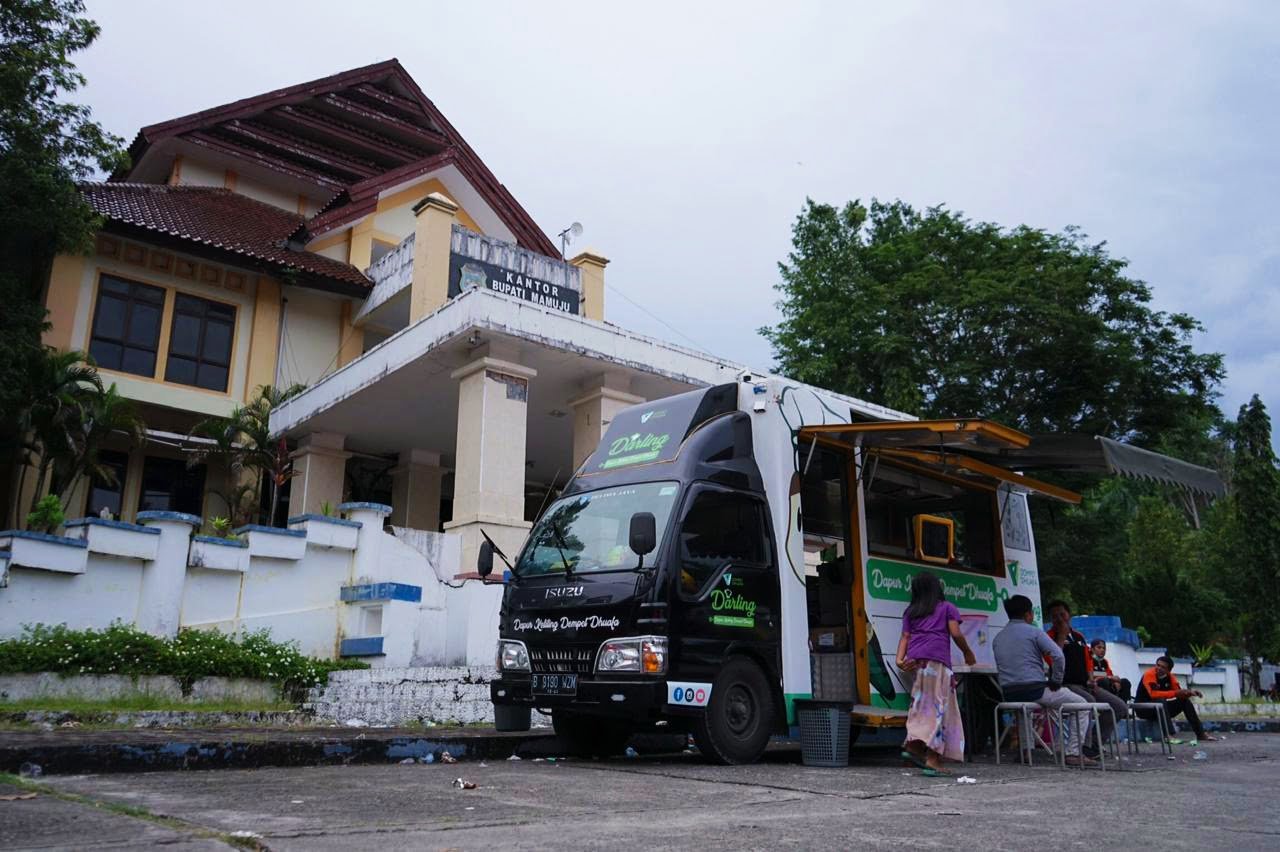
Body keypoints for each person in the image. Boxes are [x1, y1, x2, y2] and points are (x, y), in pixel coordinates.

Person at [992, 594, 1094, 766]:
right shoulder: (1034, 632)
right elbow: (1058, 656)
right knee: (1082, 705)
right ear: (1028, 614)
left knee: (1024, 710)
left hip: (1009, 693)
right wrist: (1056, 680)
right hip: (1035, 690)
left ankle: (1026, 750)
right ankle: (1073, 752)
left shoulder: (998, 638)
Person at [895, 572, 976, 776]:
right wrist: (967, 652)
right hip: (938, 664)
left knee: (921, 707)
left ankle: (913, 746)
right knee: (941, 709)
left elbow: (905, 636)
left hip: (918, 664)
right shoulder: (947, 608)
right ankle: (932, 759)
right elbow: (956, 633)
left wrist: (899, 659)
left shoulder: (911, 611)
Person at [1046, 600, 1128, 753]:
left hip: (1085, 684)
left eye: (1062, 614)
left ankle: (1096, 743)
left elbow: (1088, 660)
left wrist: (1091, 679)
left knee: (1119, 707)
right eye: (1055, 616)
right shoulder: (1049, 637)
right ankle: (1084, 747)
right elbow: (1052, 659)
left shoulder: (1079, 636)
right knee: (1087, 703)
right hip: (1065, 685)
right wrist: (1062, 636)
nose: (1059, 618)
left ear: (1069, 614)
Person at [1136, 655, 1216, 742]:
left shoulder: (1171, 677)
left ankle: (1200, 734)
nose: (1159, 668)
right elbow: (1153, 694)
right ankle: (1168, 735)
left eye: (1163, 667)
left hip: (1160, 710)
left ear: (1168, 670)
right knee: (1160, 700)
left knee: (1184, 701)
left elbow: (1179, 693)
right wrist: (1175, 693)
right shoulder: (1149, 674)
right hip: (1143, 709)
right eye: (1158, 665)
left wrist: (1190, 693)